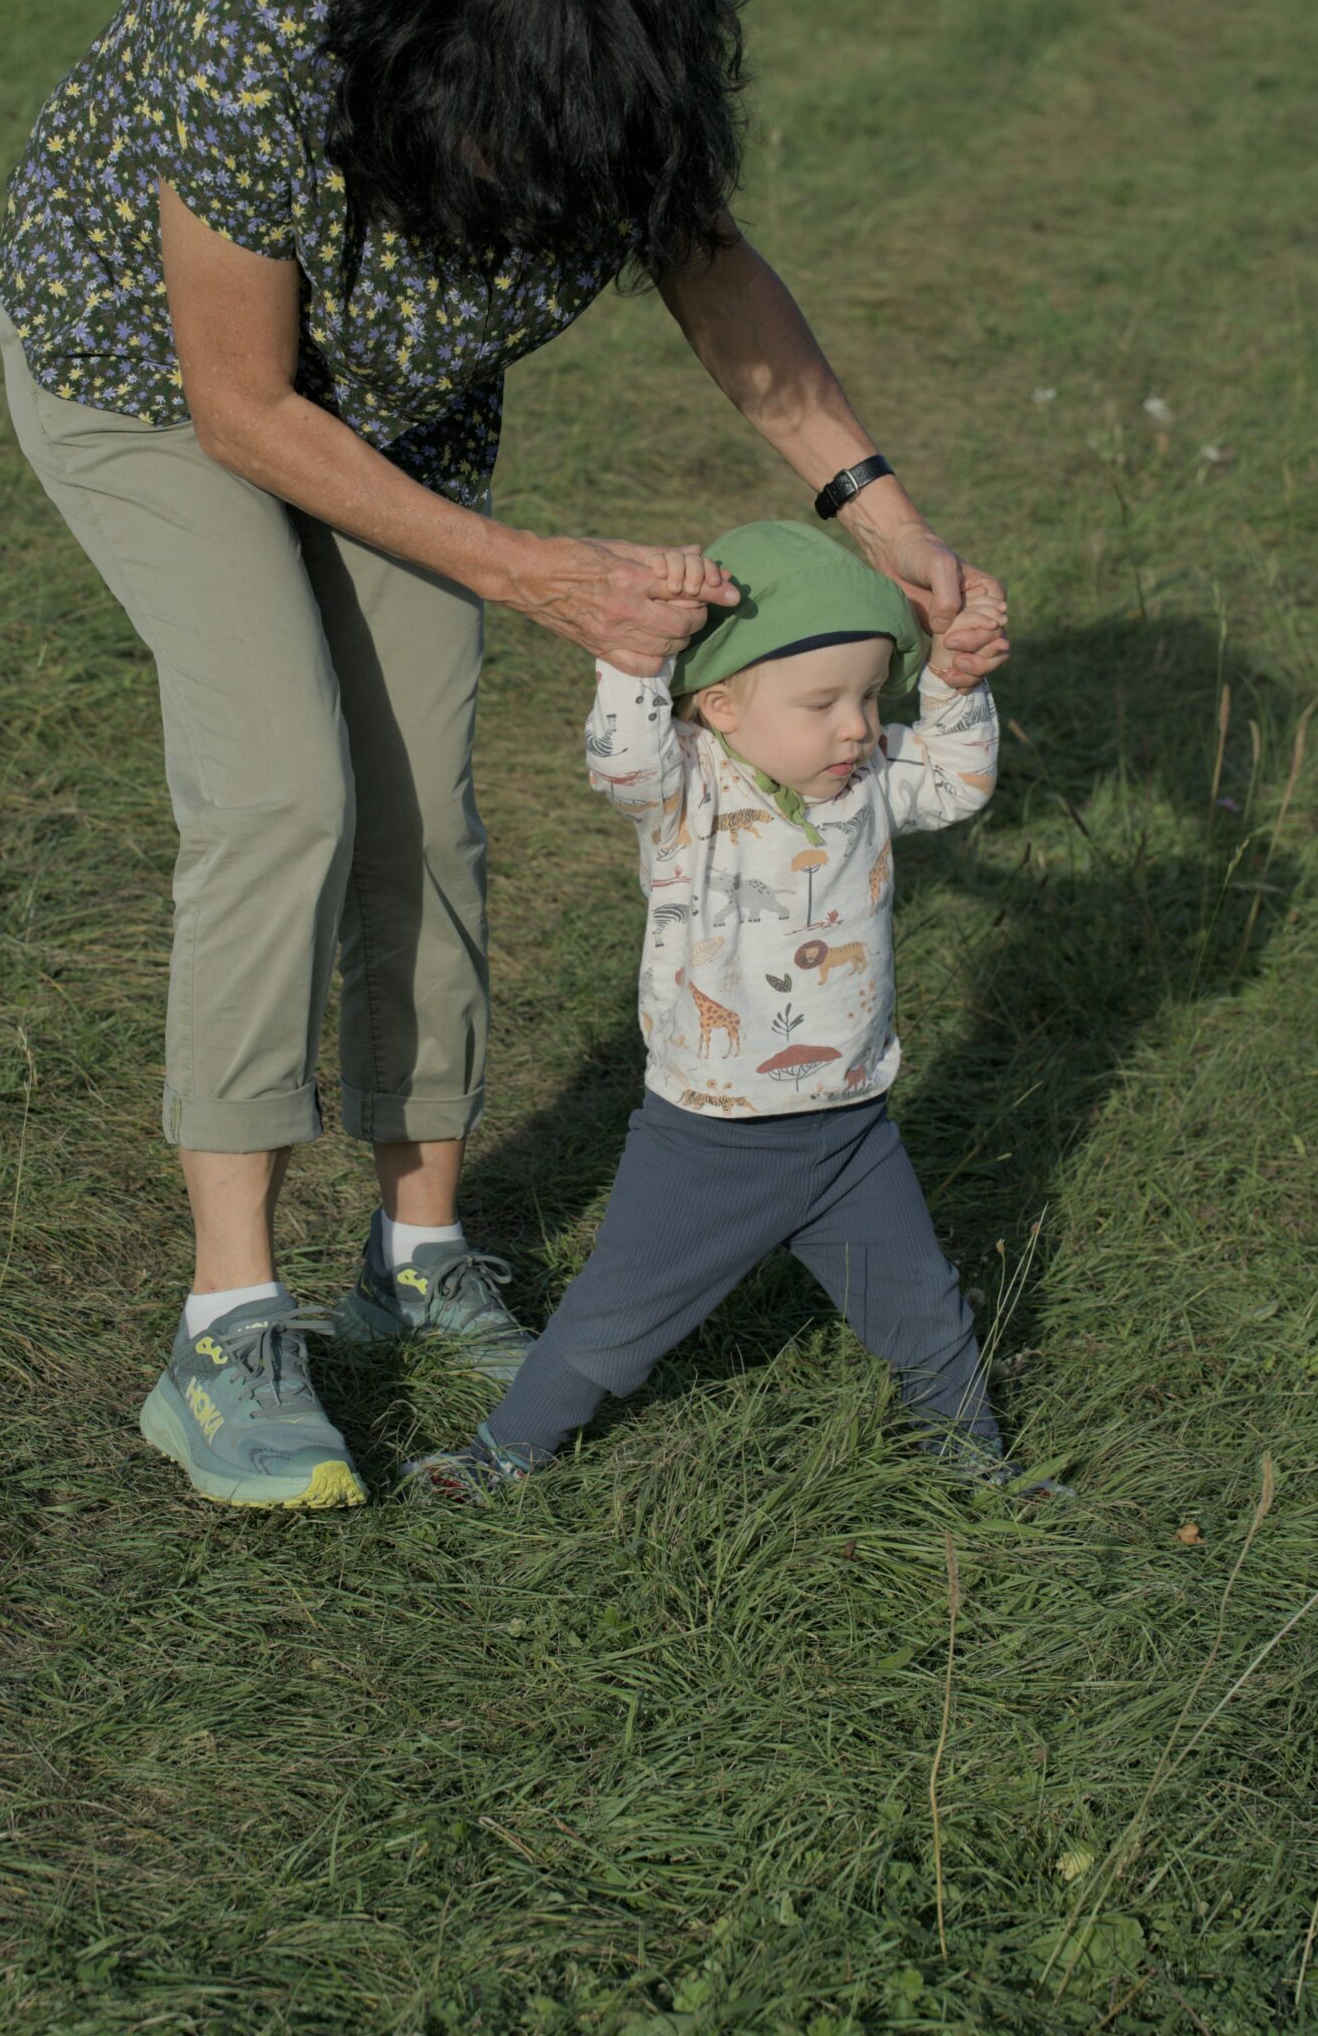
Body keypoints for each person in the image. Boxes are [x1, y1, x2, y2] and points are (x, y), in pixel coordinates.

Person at [0, 0, 1007, 1511]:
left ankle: (415, 1255)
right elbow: (242, 406)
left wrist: (878, 513)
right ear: (419, 83)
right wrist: (531, 570)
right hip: (154, 380)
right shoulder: (259, 20)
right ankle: (225, 1327)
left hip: (398, 409)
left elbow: (706, 267)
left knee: (420, 809)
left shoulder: (611, 56)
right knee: (283, 795)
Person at [401, 521, 1066, 1503]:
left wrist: (954, 685)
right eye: (821, 703)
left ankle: (975, 1465)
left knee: (925, 1312)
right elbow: (621, 763)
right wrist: (635, 659)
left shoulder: (867, 778)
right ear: (718, 705)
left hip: (851, 1131)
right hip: (709, 1141)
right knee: (613, 1319)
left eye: (869, 696)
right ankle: (501, 1454)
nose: (854, 726)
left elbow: (954, 784)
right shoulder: (688, 791)